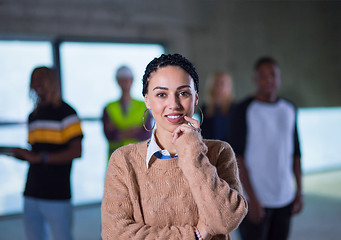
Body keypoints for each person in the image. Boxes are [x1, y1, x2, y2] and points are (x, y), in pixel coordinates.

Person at [101, 53, 247, 240]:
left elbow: (225, 221)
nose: (174, 104)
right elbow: (115, 234)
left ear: (195, 98)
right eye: (161, 94)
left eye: (184, 93)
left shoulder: (219, 152)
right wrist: (194, 234)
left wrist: (192, 151)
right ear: (147, 100)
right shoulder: (123, 160)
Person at [230, 56, 303, 240]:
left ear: (279, 78)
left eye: (273, 75)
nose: (269, 80)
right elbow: (237, 157)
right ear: (255, 79)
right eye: (263, 76)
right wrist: (252, 199)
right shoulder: (243, 109)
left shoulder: (289, 109)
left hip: (284, 197)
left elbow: (296, 153)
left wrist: (299, 191)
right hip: (254, 198)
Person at [13, 66, 83, 240]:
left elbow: (77, 151)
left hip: (57, 194)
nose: (37, 83)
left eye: (42, 78)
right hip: (31, 192)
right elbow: (36, 153)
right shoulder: (33, 116)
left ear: (52, 81)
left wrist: (40, 158)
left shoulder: (67, 113)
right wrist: (23, 155)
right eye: (34, 79)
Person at [102, 65, 152, 160]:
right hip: (116, 160)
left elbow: (146, 134)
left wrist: (120, 132)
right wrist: (135, 130)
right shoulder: (109, 107)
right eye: (122, 80)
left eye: (127, 79)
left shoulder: (144, 105)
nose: (125, 83)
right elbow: (110, 135)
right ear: (117, 81)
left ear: (132, 80)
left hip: (138, 159)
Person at [201, 71, 235, 142]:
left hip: (231, 150)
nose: (220, 87)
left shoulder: (236, 109)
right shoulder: (204, 109)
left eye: (223, 84)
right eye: (217, 83)